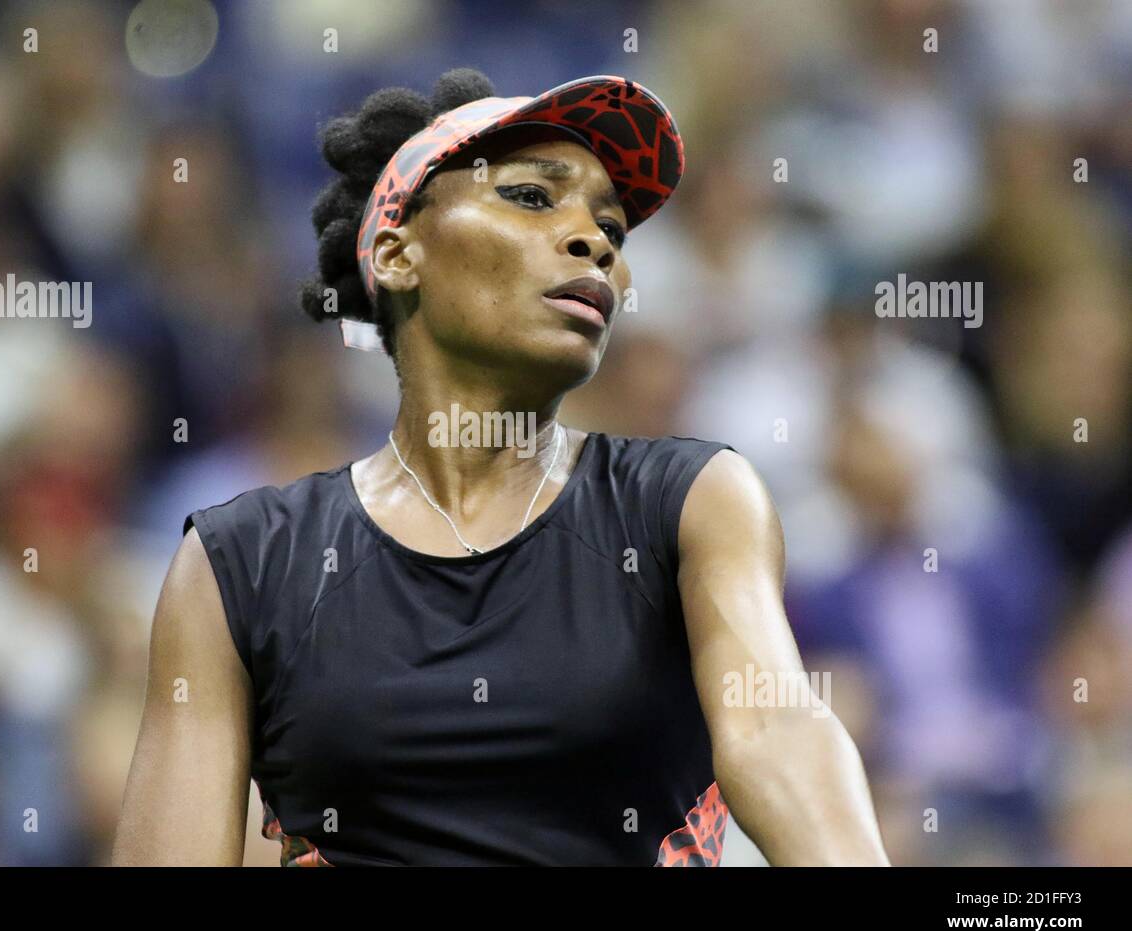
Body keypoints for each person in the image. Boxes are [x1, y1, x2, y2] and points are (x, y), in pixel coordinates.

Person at [114, 69, 890, 866]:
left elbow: (777, 728)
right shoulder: (236, 562)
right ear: (396, 251)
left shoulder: (694, 501)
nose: (595, 242)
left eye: (613, 230)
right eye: (531, 196)